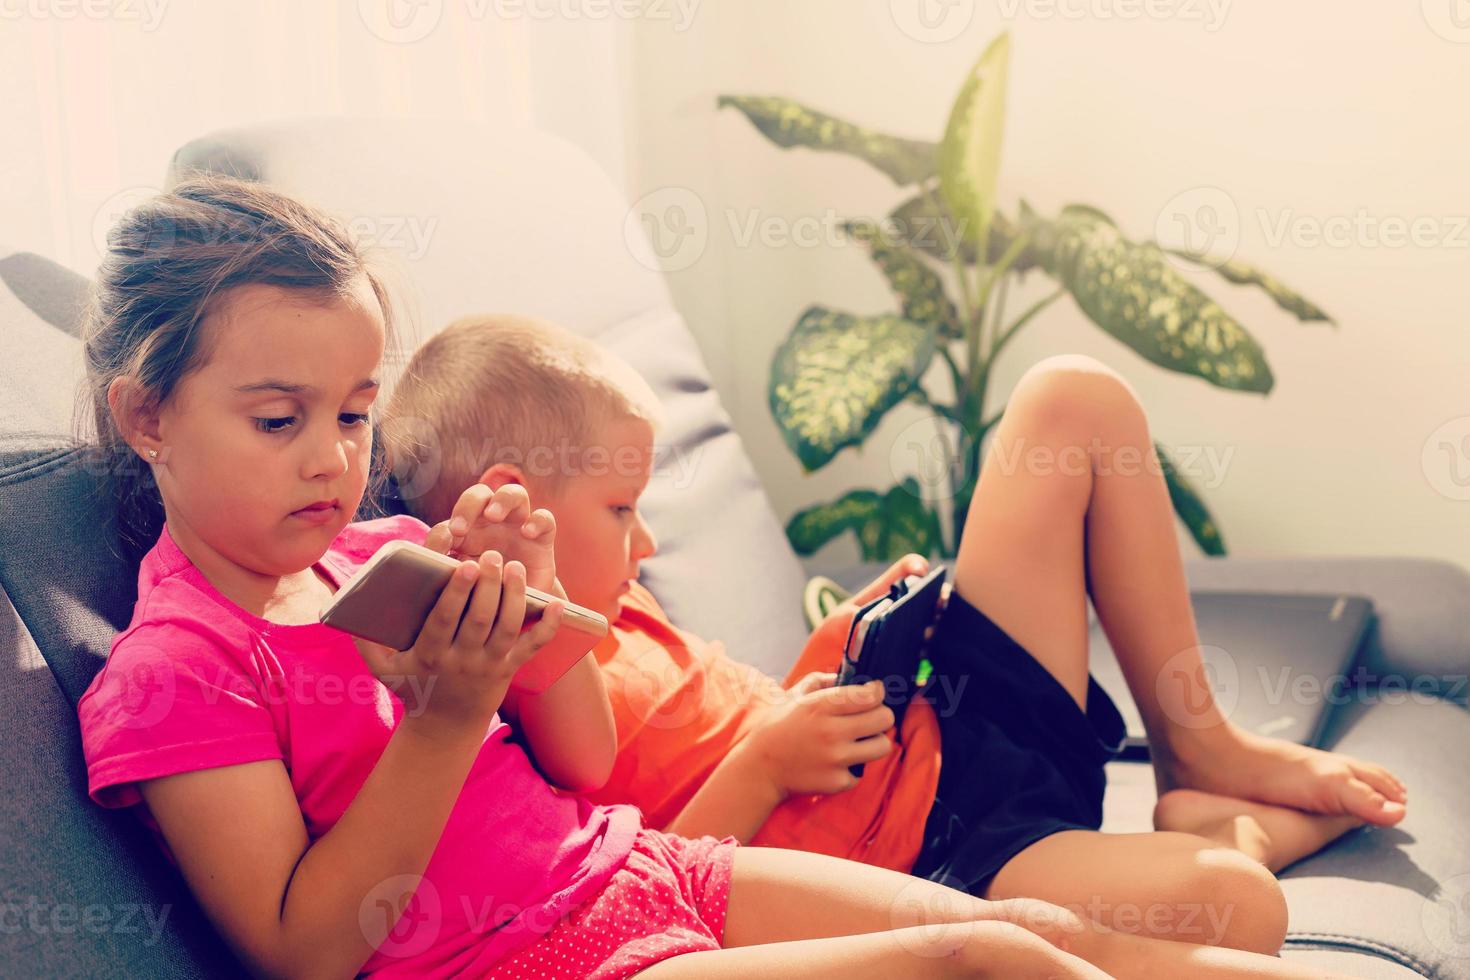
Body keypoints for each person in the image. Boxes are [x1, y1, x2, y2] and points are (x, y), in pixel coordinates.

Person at [75, 173, 1241, 979]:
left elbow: (582, 763)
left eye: (354, 412)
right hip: (525, 957)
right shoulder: (176, 669)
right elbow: (303, 949)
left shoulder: (382, 560)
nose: (334, 457)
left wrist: (535, 617)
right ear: (147, 414)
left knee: (1029, 925)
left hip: (639, 866)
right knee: (978, 959)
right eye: (280, 418)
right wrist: (444, 721)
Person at [384, 311, 1408, 962]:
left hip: (936, 724)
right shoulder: (520, 676)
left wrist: (831, 648)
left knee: (1074, 400)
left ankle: (1200, 746)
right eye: (621, 508)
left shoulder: (619, 601)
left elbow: (738, 713)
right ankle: (1232, 828)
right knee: (1237, 906)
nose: (646, 540)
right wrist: (766, 758)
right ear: (520, 503)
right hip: (949, 852)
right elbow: (660, 876)